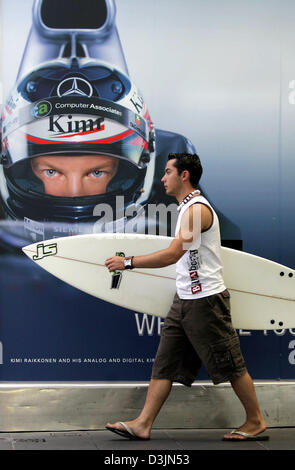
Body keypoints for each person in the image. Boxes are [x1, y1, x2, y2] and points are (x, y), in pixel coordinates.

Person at [105, 152, 268, 442]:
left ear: (184, 175)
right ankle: (143, 423)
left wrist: (128, 262)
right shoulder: (187, 208)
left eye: (167, 172)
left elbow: (173, 253)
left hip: (205, 301)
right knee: (165, 363)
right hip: (184, 300)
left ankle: (255, 421)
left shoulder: (197, 210)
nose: (162, 178)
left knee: (230, 364)